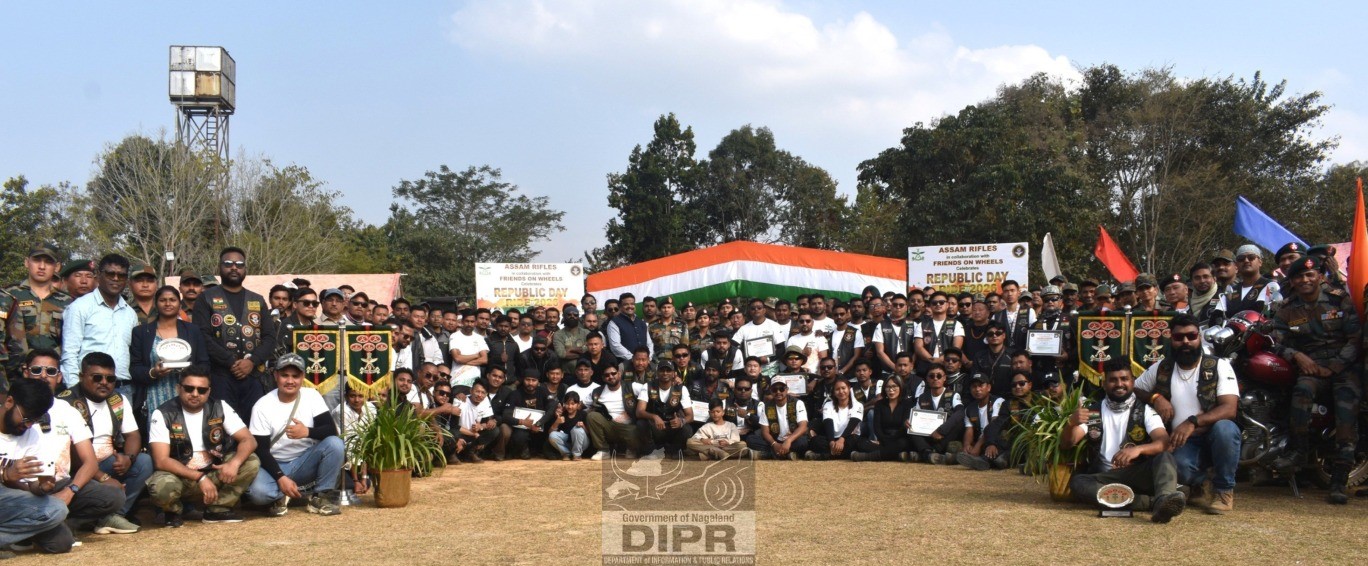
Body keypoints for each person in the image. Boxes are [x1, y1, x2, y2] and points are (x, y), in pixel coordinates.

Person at [1268, 257, 1361, 504]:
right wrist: (1297, 356)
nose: (1305, 280)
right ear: (1292, 281)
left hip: (1344, 368)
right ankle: (1299, 451)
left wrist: (1334, 367)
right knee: (1301, 392)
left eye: (1310, 275)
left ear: (1320, 276)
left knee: (1345, 416)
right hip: (1310, 367)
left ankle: (1339, 481)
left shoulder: (1339, 300)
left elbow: (1355, 338)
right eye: (1299, 276)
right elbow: (1277, 343)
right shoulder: (1287, 308)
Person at [1133, 313, 1241, 514]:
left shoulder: (1218, 366)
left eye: (1191, 336)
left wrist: (1192, 422)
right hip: (1184, 442)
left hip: (1213, 434)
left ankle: (1224, 491)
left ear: (1199, 337)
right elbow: (1135, 388)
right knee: (1177, 469)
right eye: (1178, 337)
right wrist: (1156, 398)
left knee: (1226, 429)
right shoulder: (1162, 368)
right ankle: (1201, 483)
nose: (1185, 342)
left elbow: (1229, 409)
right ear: (1171, 339)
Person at [1065, 359, 1186, 523]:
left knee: (1165, 457)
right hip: (1106, 477)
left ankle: (1163, 497)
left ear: (1133, 382)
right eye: (1113, 380)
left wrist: (1138, 449)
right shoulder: (1093, 412)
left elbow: (1164, 443)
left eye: (1124, 379)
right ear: (1104, 384)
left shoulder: (1146, 411)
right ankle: (1155, 503)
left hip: (1137, 474)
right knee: (1078, 483)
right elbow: (1068, 443)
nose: (1119, 384)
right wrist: (1071, 423)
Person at [146, 367, 261, 526]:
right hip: (181, 476)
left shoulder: (220, 407)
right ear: (178, 388)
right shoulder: (163, 413)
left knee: (250, 461)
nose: (195, 394)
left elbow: (249, 440)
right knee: (161, 487)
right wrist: (199, 477)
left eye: (201, 390)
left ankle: (218, 509)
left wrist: (234, 464)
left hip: (214, 471)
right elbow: (161, 460)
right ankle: (173, 512)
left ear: (209, 391)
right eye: (189, 388)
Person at [52, 351, 151, 533]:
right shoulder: (66, 402)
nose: (104, 382)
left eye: (110, 378)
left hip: (106, 461)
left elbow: (133, 435)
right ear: (82, 376)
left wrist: (128, 458)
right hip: (77, 467)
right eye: (97, 377)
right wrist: (102, 477)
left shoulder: (117, 400)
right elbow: (70, 452)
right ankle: (86, 518)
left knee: (144, 462)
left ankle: (113, 516)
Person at [245, 354, 344, 516]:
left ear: (303, 377)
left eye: (295, 376)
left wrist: (307, 432)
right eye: (285, 375)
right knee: (258, 494)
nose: (290, 381)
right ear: (276, 376)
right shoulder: (262, 405)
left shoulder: (312, 396)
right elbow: (261, 450)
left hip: (304, 461)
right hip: (273, 464)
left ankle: (320, 496)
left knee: (335, 444)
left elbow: (331, 430)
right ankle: (283, 493)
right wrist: (280, 477)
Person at [193, 247, 276, 420]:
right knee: (222, 424)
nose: (234, 268)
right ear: (219, 267)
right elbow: (202, 336)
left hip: (254, 376)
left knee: (255, 424)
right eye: (228, 263)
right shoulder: (206, 298)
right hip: (220, 376)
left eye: (239, 264)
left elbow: (269, 337)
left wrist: (252, 361)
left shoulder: (257, 300)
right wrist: (230, 362)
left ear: (245, 269)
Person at [0, 377, 77, 555]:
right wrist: (4, 474)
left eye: (34, 420)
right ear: (9, 402)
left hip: (10, 502)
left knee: (60, 533)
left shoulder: (32, 434)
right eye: (26, 418)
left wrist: (41, 487)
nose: (28, 425)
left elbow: (29, 485)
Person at [131, 286, 210, 430]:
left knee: (188, 433)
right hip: (154, 394)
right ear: (156, 304)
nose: (168, 304)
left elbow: (204, 363)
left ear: (179, 304)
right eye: (163, 300)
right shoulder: (141, 332)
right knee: (158, 434)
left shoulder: (193, 330)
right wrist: (153, 372)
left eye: (172, 300)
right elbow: (135, 368)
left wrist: (190, 371)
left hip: (188, 393)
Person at [60, 254, 138, 393]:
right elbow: (69, 352)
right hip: (89, 387)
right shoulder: (80, 307)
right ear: (98, 275)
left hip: (122, 388)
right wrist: (74, 390)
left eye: (121, 275)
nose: (115, 279)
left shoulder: (130, 313)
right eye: (110, 274)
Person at [7, 245, 72, 375]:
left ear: (57, 267)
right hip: (15, 373)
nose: (42, 266)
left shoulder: (68, 302)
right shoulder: (9, 296)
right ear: (27, 262)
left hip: (53, 374)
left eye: (48, 262)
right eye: (37, 260)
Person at [904, 363, 964, 464]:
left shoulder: (953, 395)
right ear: (927, 379)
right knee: (910, 426)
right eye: (931, 376)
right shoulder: (922, 397)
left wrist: (941, 430)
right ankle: (928, 453)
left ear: (944, 378)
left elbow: (960, 412)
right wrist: (908, 421)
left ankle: (929, 453)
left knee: (960, 423)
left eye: (939, 376)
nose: (935, 378)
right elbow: (915, 417)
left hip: (944, 435)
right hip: (927, 435)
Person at [635, 362, 694, 458]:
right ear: (657, 373)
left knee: (687, 429)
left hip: (673, 427)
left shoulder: (681, 389)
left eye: (668, 370)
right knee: (641, 423)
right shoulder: (648, 386)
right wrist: (654, 417)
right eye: (662, 370)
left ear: (674, 373)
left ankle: (674, 451)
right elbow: (639, 412)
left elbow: (690, 416)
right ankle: (651, 451)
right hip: (656, 427)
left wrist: (681, 421)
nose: (665, 373)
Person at [501, 368, 559, 459]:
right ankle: (523, 450)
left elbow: (553, 406)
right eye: (527, 380)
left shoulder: (543, 391)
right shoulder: (515, 394)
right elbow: (505, 416)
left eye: (533, 380)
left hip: (539, 425)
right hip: (521, 428)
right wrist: (522, 422)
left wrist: (538, 423)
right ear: (523, 380)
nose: (530, 383)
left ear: (538, 381)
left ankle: (546, 450)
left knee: (554, 419)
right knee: (519, 436)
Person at [1214, 244, 1281, 320]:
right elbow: (1216, 317)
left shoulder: (1270, 285)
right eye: (1241, 258)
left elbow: (1264, 314)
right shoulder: (1231, 290)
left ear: (1260, 262)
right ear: (1237, 265)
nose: (1246, 260)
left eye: (1251, 257)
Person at [850, 377, 910, 461]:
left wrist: (890, 441)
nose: (891, 390)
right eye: (888, 387)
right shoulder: (879, 404)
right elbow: (877, 427)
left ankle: (868, 457)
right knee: (861, 443)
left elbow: (903, 427)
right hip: (882, 439)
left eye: (894, 386)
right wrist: (883, 440)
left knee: (903, 443)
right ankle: (897, 455)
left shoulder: (907, 404)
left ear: (900, 387)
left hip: (898, 438)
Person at [587, 366, 640, 460]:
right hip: (608, 425)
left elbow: (648, 393)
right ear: (603, 378)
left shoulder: (632, 386)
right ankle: (603, 450)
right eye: (607, 375)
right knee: (592, 416)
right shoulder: (597, 391)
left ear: (619, 374)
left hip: (627, 426)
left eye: (613, 373)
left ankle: (631, 449)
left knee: (640, 427)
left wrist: (633, 411)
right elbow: (581, 404)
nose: (610, 376)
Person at [956, 373, 1007, 470]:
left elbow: (993, 426)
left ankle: (983, 461)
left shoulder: (998, 401)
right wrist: (967, 444)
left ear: (988, 387)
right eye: (974, 386)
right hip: (981, 441)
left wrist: (977, 447)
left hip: (995, 439)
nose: (977, 389)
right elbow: (969, 429)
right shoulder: (969, 409)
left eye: (980, 385)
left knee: (996, 446)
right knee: (959, 447)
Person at [805, 380, 862, 460]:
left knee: (855, 441)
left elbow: (852, 424)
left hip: (848, 438)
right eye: (837, 389)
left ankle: (825, 456)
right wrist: (831, 442)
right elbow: (828, 423)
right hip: (831, 438)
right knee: (815, 441)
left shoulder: (858, 405)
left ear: (849, 389)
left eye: (843, 388)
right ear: (834, 392)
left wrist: (841, 440)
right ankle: (841, 454)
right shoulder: (828, 405)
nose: (841, 391)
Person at [754, 380, 808, 460]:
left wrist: (789, 440)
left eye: (781, 389)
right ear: (771, 391)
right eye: (774, 390)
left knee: (803, 442)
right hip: (775, 439)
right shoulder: (766, 406)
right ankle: (788, 453)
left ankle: (771, 454)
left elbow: (803, 427)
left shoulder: (798, 403)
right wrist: (774, 444)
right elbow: (765, 431)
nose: (778, 392)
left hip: (793, 439)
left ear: (787, 389)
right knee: (751, 439)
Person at [733, 298, 789, 369]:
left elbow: (781, 349)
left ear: (764, 310)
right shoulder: (744, 328)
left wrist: (768, 359)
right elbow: (733, 345)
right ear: (750, 311)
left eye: (759, 308)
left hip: (770, 368)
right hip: (751, 368)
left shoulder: (774, 326)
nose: (756, 310)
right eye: (753, 308)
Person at [456, 381, 498, 463]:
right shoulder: (461, 400)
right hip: (460, 432)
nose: (480, 395)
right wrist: (474, 434)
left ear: (486, 394)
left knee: (494, 430)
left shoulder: (485, 400)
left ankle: (471, 452)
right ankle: (454, 454)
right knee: (454, 434)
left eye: (483, 393)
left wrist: (481, 427)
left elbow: (487, 422)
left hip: (474, 434)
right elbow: (454, 426)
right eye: (477, 391)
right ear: (471, 390)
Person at [449, 309, 490, 387]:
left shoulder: (479, 338)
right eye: (467, 321)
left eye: (472, 322)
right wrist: (476, 355)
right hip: (457, 380)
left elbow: (484, 360)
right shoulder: (455, 336)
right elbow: (457, 358)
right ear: (462, 322)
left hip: (475, 382)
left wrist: (463, 360)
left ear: (475, 323)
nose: (469, 324)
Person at [606, 293, 651, 363]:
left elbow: (649, 344)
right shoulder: (613, 323)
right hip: (625, 364)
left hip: (645, 363)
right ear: (620, 306)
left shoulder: (642, 323)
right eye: (626, 304)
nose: (630, 306)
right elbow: (615, 346)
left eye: (632, 304)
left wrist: (648, 358)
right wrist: (634, 359)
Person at [994, 280, 1037, 350]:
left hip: (1023, 353)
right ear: (1002, 294)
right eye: (1006, 291)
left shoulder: (1029, 312)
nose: (1009, 294)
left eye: (1012, 290)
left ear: (1018, 293)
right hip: (1004, 354)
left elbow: (1034, 334)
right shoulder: (996, 316)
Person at [829, 302, 865, 378]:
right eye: (836, 315)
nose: (839, 317)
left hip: (851, 376)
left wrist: (843, 371)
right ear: (833, 317)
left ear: (847, 314)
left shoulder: (856, 332)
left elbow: (857, 355)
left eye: (842, 314)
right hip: (833, 376)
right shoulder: (830, 335)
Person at [549, 391, 589, 460]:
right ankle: (566, 453)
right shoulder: (562, 415)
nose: (570, 406)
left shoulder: (583, 414)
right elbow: (550, 433)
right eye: (567, 404)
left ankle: (577, 455)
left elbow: (589, 433)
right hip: (568, 444)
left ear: (578, 404)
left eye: (573, 404)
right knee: (552, 435)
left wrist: (583, 426)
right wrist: (557, 422)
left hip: (582, 444)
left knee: (577, 430)